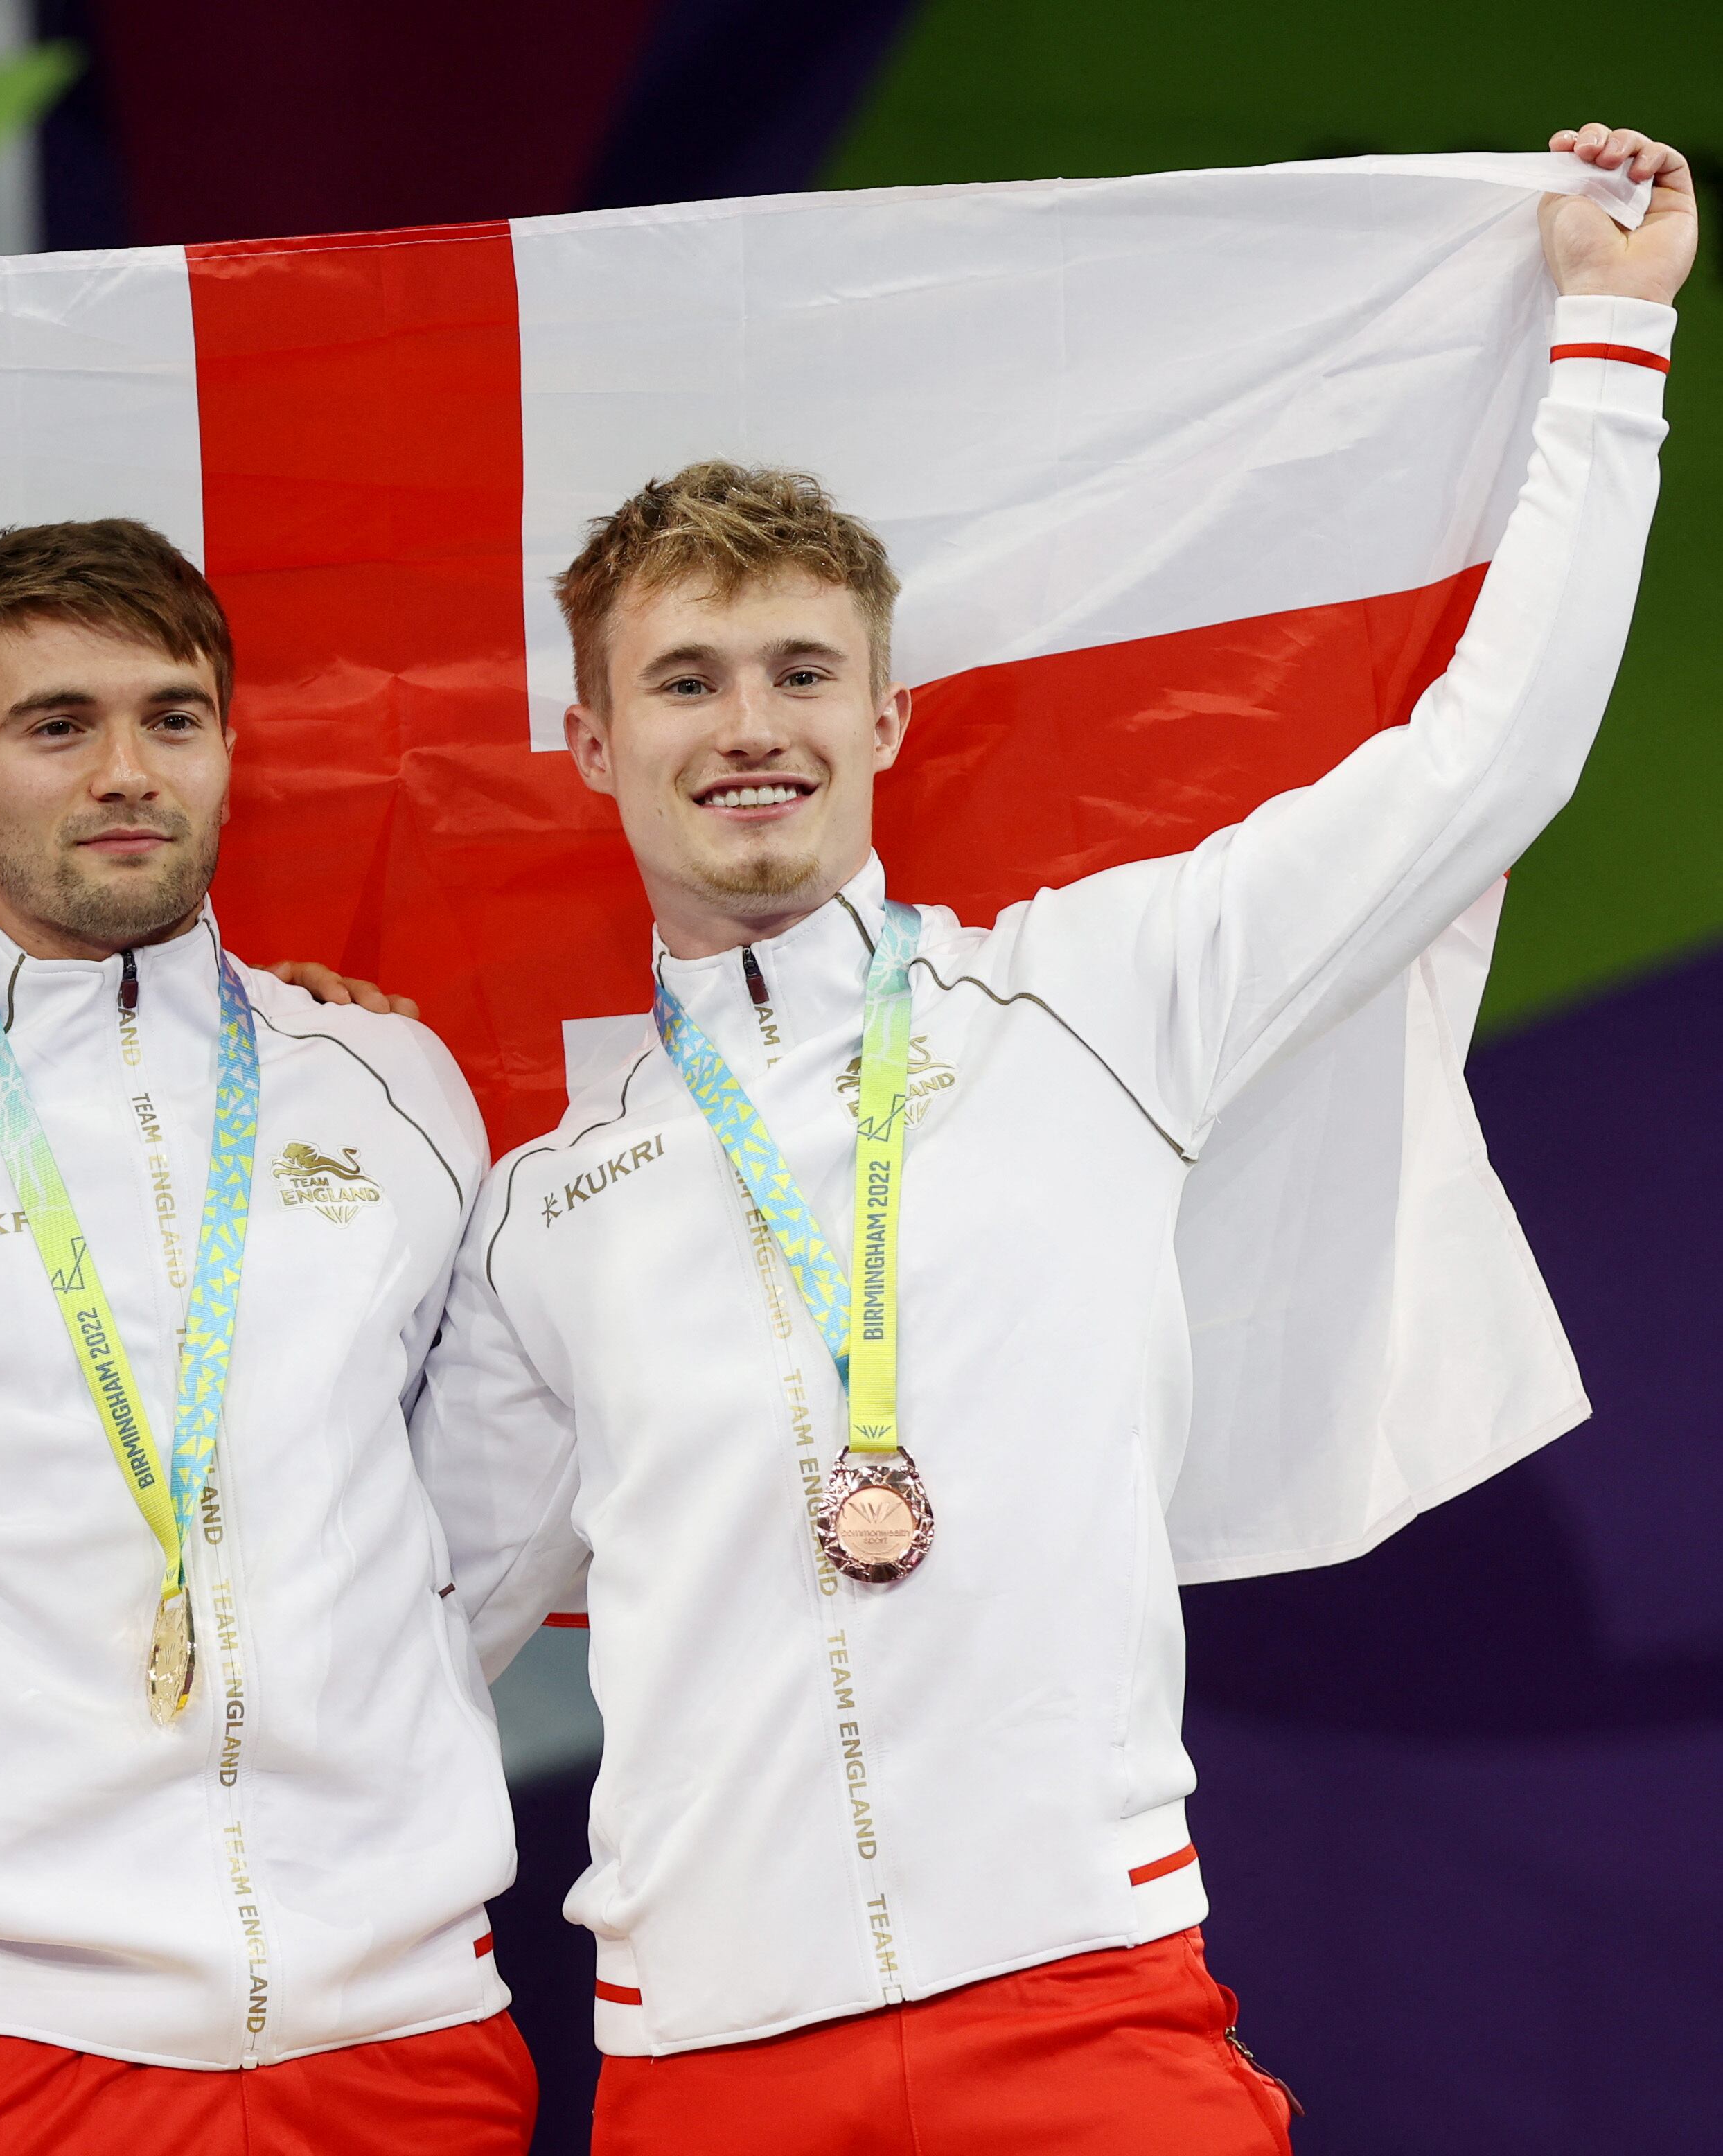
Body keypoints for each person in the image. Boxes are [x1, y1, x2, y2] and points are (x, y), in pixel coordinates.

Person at [410, 123, 1693, 2154]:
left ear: (889, 716)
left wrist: (1610, 349)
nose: (752, 724)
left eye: (802, 671)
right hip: (697, 2068)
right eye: (685, 679)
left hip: (1085, 2027)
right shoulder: (545, 1201)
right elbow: (404, 1632)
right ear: (591, 741)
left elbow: (1479, 762)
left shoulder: (1103, 996)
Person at [0, 520, 538, 2155]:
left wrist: (367, 1658)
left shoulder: (392, 1083)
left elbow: (483, 1497)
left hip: (415, 2022)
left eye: (173, 715)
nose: (127, 770)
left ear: (230, 746)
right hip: (35, 2039)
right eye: (57, 723)